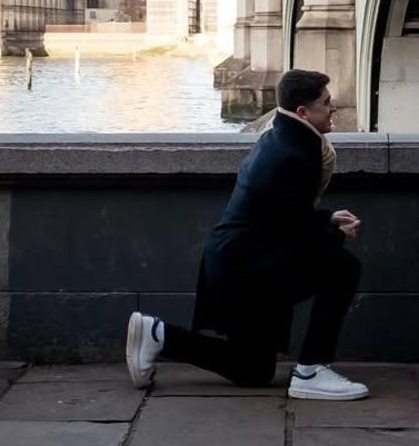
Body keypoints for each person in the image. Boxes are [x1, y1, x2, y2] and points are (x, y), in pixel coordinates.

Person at [125, 68, 369, 400]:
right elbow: (291, 230)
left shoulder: (284, 136)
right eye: (326, 103)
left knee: (252, 369)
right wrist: (334, 234)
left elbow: (284, 212)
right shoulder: (293, 154)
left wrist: (327, 220)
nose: (334, 108)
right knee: (342, 268)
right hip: (247, 269)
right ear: (303, 112)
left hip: (243, 261)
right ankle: (311, 369)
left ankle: (158, 334)